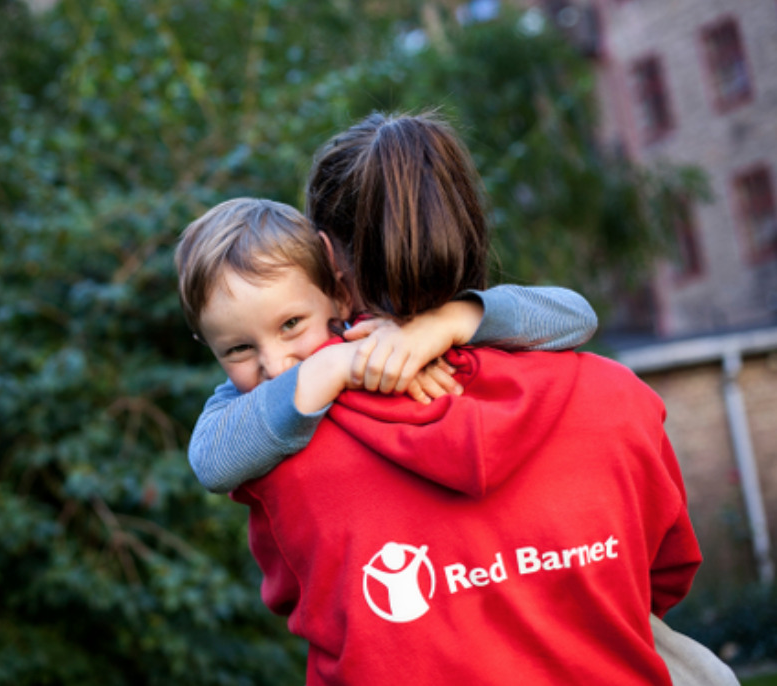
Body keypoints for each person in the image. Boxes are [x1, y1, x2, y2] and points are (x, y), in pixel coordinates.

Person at [212, 111, 715, 684]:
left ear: (327, 260)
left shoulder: (282, 450)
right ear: (468, 224)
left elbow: (298, 600)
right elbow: (664, 574)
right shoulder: (620, 398)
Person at [177, 199, 598, 494]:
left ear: (338, 295)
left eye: (290, 324)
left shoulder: (384, 331)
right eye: (238, 350)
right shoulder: (240, 405)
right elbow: (213, 464)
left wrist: (446, 322)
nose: (274, 363)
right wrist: (335, 367)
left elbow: (575, 317)